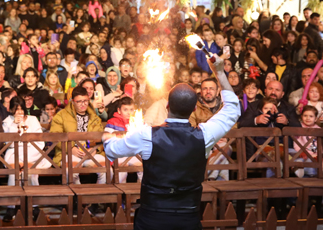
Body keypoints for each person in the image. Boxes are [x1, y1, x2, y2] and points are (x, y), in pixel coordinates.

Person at [102, 56, 239, 230]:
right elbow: (233, 109)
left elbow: (111, 150)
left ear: (167, 106)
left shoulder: (147, 136)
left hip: (153, 217)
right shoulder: (205, 135)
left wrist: (107, 138)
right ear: (194, 108)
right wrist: (219, 72)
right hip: (187, 216)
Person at [51, 86, 107, 185]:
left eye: (85, 101)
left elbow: (101, 138)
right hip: (69, 153)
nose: (83, 104)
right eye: (79, 101)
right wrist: (70, 148)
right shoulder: (61, 116)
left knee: (107, 171)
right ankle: (77, 198)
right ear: (73, 101)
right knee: (71, 172)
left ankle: (98, 197)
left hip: (91, 152)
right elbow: (55, 136)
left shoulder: (93, 116)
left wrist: (95, 150)